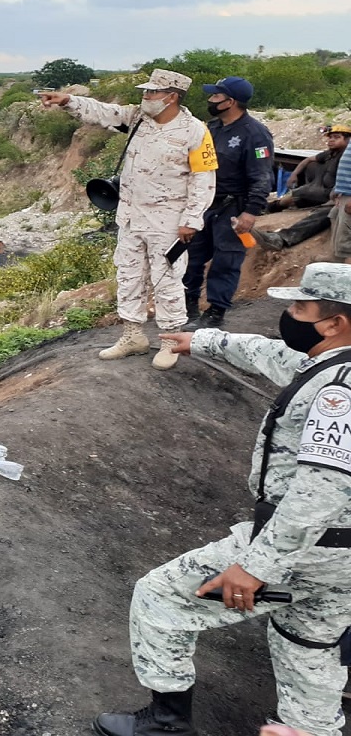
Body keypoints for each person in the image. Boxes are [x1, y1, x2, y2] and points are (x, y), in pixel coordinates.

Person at [94, 262, 351, 736]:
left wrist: (255, 567)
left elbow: (321, 492)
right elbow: (271, 354)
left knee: (159, 597)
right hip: (342, 560)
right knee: (308, 640)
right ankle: (312, 730)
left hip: (310, 547)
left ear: (334, 324)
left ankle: (166, 724)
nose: (290, 315)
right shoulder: (332, 364)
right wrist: (203, 340)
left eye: (300, 307)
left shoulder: (339, 391)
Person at [41, 69, 217, 371]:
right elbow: (102, 112)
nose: (145, 97)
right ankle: (133, 335)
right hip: (131, 217)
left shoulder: (195, 130)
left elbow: (204, 179)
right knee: (129, 276)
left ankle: (170, 342)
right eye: (145, 92)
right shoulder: (137, 118)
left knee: (167, 281)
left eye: (152, 93)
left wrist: (192, 220)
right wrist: (68, 100)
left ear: (172, 97)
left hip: (169, 221)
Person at [182, 77, 275, 332]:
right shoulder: (211, 128)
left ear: (230, 102)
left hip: (233, 208)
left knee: (226, 261)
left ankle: (215, 313)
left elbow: (262, 176)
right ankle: (188, 307)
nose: (210, 100)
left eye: (215, 97)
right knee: (192, 257)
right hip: (204, 205)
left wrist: (251, 212)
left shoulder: (255, 134)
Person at [258, 127, 351, 252]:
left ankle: (283, 238)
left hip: (331, 195)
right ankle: (268, 210)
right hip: (333, 194)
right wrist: (294, 174)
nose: (331, 140)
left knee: (323, 214)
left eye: (337, 137)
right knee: (325, 209)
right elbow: (308, 160)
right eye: (330, 137)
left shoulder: (345, 154)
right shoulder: (330, 154)